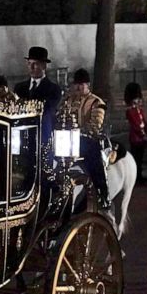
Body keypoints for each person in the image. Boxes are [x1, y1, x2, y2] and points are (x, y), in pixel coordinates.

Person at [59, 68, 109, 209]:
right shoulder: (68, 100)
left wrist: (77, 132)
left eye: (82, 84)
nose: (79, 87)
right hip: (66, 140)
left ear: (88, 85)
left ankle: (102, 192)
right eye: (77, 84)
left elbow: (95, 126)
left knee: (92, 155)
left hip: (86, 140)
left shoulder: (96, 102)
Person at [14, 46, 63, 149]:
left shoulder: (54, 90)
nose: (31, 67)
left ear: (44, 66)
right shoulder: (19, 88)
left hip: (43, 140)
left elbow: (47, 110)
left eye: (35, 64)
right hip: (20, 140)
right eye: (29, 64)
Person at [124, 82, 147, 183]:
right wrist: (144, 136)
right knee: (136, 159)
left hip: (140, 138)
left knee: (140, 158)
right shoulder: (130, 111)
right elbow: (136, 126)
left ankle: (139, 176)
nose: (138, 100)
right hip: (136, 138)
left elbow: (142, 123)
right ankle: (135, 177)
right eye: (136, 98)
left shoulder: (138, 110)